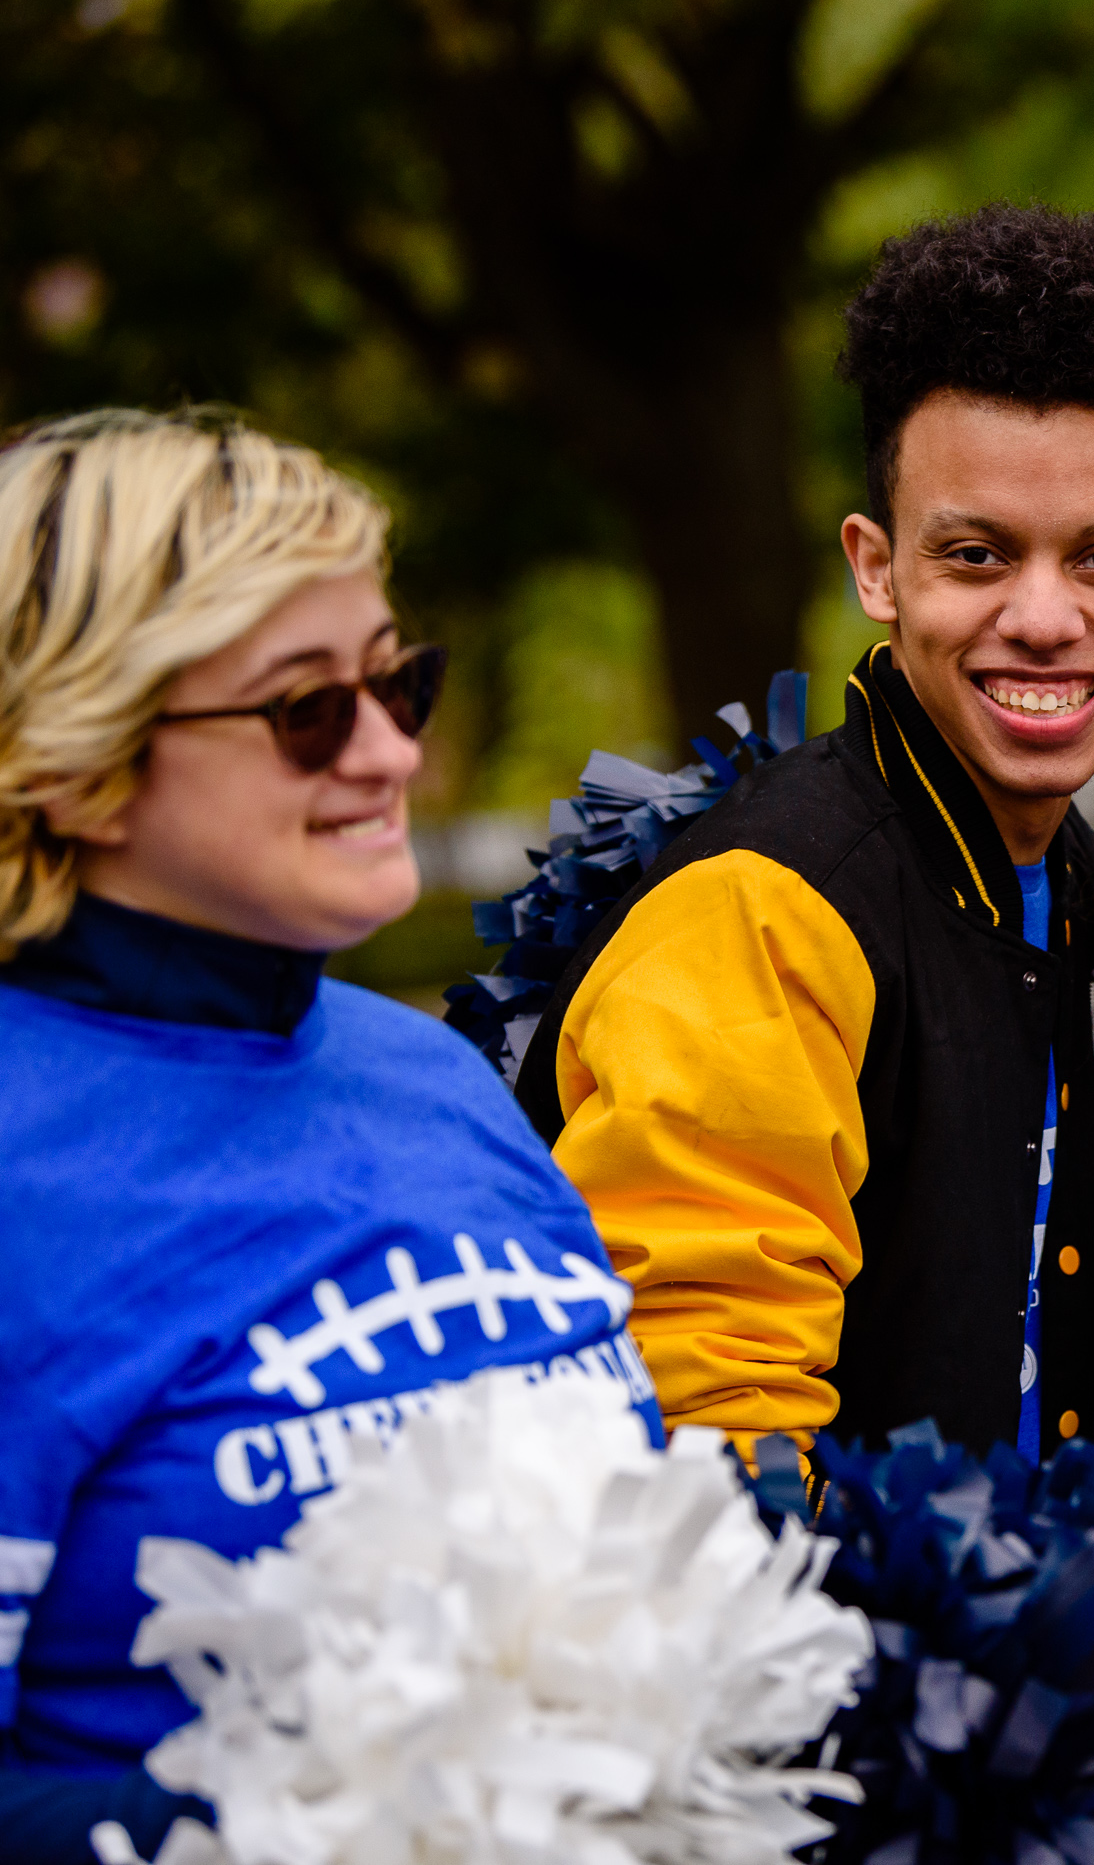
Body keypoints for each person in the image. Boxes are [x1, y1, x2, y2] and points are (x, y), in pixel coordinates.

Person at [0, 409, 657, 1862]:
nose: (386, 754)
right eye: (306, 709)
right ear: (73, 755)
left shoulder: (432, 1074)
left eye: (396, 683)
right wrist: (298, 1823)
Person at [513, 205, 1094, 1459]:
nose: (1044, 618)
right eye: (978, 555)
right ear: (876, 568)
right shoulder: (759, 916)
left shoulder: (1085, 884)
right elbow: (704, 1444)